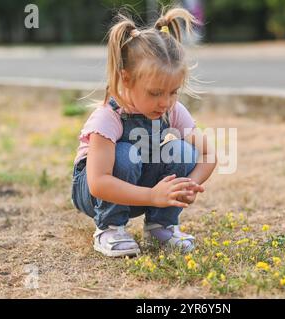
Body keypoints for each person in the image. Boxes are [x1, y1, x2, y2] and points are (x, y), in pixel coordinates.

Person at [71, 7, 217, 258]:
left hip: (141, 190)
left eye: (173, 92)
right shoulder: (108, 117)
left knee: (181, 150)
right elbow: (98, 183)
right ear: (125, 79)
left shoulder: (172, 110)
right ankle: (109, 228)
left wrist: (188, 185)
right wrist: (152, 195)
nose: (165, 102)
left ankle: (160, 226)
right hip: (96, 193)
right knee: (125, 153)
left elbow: (208, 155)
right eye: (155, 93)